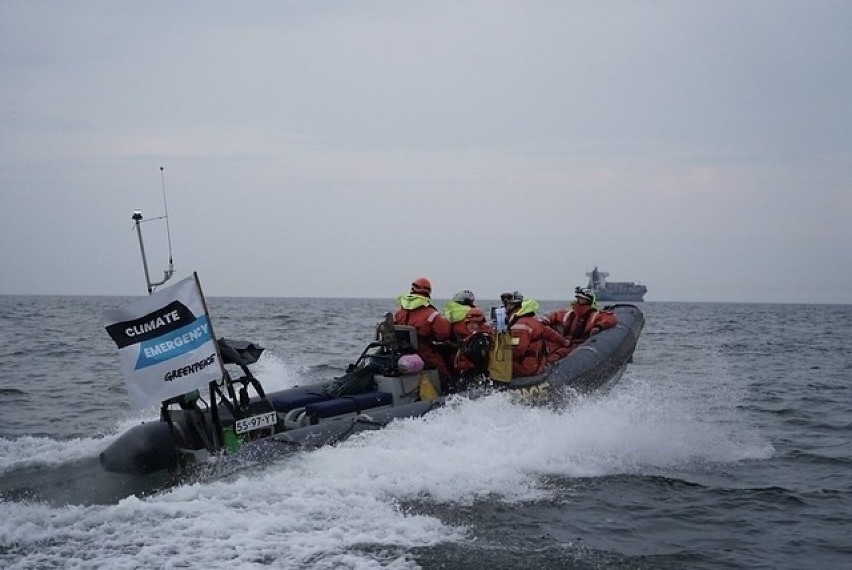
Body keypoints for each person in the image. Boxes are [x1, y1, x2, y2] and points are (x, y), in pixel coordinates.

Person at [393, 277, 451, 380]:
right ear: (428, 292)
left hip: (399, 352)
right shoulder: (432, 314)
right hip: (422, 352)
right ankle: (445, 391)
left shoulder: (398, 313)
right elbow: (443, 335)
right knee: (440, 367)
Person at [501, 291, 569, 377]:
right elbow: (551, 334)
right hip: (538, 364)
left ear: (515, 306)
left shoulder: (520, 326)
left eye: (508, 305)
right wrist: (566, 343)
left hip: (526, 367)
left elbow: (518, 351)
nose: (505, 309)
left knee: (497, 365)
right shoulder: (534, 321)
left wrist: (501, 352)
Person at [545, 287, 617, 363]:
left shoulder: (594, 315)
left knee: (560, 353)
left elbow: (610, 318)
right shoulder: (569, 314)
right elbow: (553, 315)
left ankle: (548, 367)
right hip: (564, 341)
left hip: (577, 344)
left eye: (581, 299)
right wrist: (544, 320)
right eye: (578, 298)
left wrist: (599, 326)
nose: (578, 301)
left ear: (588, 300)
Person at [451, 307, 494, 379]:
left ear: (480, 323)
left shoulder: (481, 338)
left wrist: (464, 349)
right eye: (468, 322)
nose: (470, 325)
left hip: (475, 375)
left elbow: (479, 359)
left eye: (474, 322)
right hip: (469, 372)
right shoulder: (474, 336)